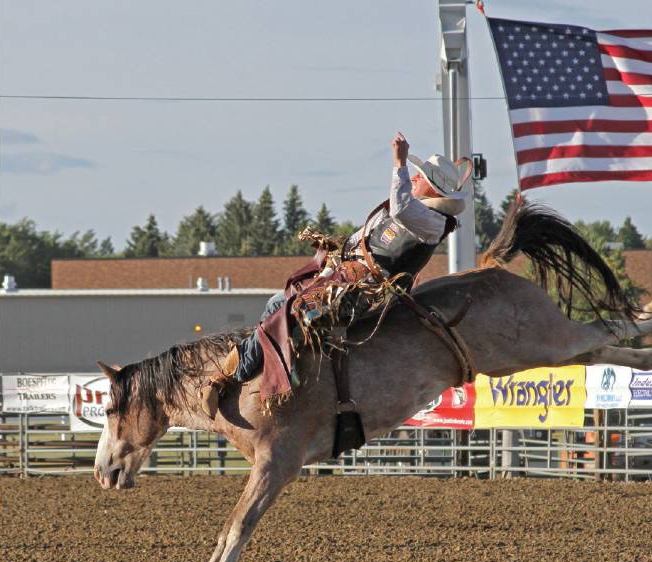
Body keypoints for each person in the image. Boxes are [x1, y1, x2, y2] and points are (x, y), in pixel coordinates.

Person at [199, 132, 471, 418]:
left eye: (420, 176)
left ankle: (230, 378)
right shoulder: (415, 214)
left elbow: (401, 206)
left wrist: (399, 163)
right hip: (345, 278)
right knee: (278, 304)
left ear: (433, 188)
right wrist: (336, 256)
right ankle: (271, 371)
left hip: (363, 292)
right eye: (414, 174)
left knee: (283, 307)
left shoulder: (431, 222)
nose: (414, 178)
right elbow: (365, 237)